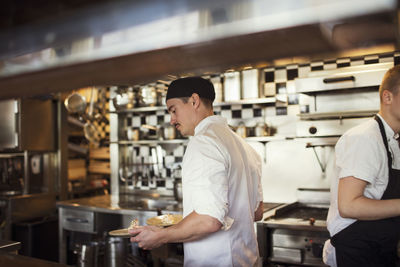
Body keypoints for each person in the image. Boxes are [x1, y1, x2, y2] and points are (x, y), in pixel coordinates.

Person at [129, 76, 264, 266]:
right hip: (247, 260)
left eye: (173, 110)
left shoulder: (203, 142)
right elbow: (257, 212)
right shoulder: (244, 146)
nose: (172, 120)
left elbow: (209, 220)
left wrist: (162, 235)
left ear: (194, 100)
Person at [323, 65, 400, 267]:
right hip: (357, 249)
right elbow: (349, 206)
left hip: (379, 246)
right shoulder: (366, 138)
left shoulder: (393, 140)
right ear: (388, 97)